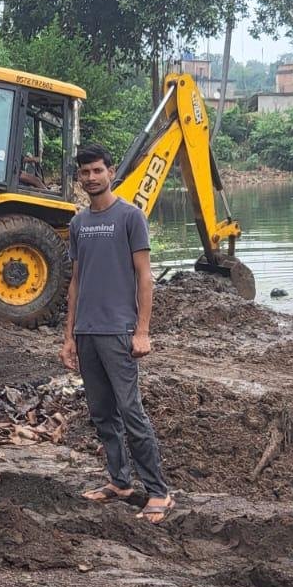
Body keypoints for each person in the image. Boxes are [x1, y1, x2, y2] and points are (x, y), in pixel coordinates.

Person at [58, 143, 175, 524]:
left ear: (111, 172)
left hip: (119, 330)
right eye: (85, 172)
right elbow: (76, 282)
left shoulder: (130, 217)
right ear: (79, 178)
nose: (92, 177)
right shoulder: (78, 223)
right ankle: (120, 482)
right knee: (101, 412)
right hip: (87, 332)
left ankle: (158, 492)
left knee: (130, 411)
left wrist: (143, 331)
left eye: (98, 170)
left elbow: (145, 276)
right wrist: (69, 336)